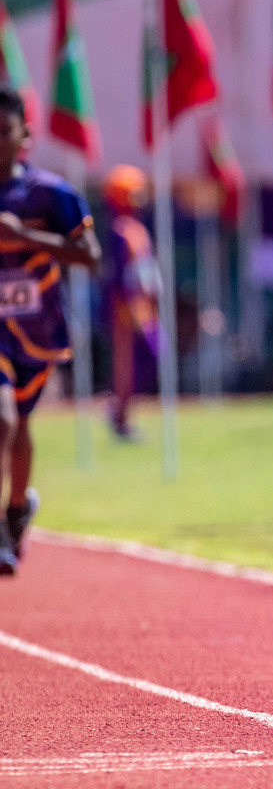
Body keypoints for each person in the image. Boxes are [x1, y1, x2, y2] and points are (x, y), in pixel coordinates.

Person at [0, 84, 100, 574]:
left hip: (37, 332)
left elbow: (90, 256)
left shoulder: (50, 193)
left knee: (19, 425)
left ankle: (17, 509)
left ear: (25, 137)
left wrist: (24, 238)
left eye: (3, 133)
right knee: (0, 421)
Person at [100, 165, 160, 442]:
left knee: (153, 355)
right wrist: (129, 306)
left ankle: (121, 411)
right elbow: (118, 275)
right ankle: (119, 416)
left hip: (143, 306)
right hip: (126, 309)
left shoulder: (137, 228)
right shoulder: (118, 231)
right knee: (128, 366)